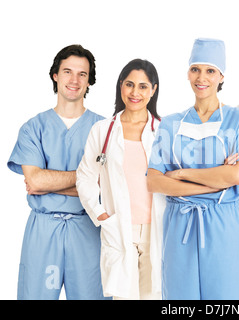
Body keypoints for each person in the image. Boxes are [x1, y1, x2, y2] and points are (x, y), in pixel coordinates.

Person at [147, 38, 239, 300]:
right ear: (188, 73)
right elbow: (154, 181)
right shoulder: (170, 123)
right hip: (180, 226)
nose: (202, 78)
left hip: (226, 225)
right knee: (180, 302)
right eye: (195, 69)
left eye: (210, 70)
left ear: (221, 75)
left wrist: (180, 173)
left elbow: (236, 175)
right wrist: (217, 179)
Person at [7, 44, 108, 300]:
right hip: (43, 231)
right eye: (67, 71)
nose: (74, 80)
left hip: (89, 230)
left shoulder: (105, 130)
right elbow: (35, 180)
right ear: (55, 75)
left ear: (89, 81)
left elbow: (109, 187)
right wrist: (86, 180)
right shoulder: (33, 128)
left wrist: (46, 184)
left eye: (82, 74)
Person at [76, 59, 162, 300]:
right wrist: (100, 214)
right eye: (129, 85)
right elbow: (85, 177)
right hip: (119, 225)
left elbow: (181, 175)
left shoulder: (164, 132)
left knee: (155, 294)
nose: (135, 93)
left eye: (143, 86)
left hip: (156, 226)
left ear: (153, 90)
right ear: (120, 86)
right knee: (124, 296)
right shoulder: (103, 130)